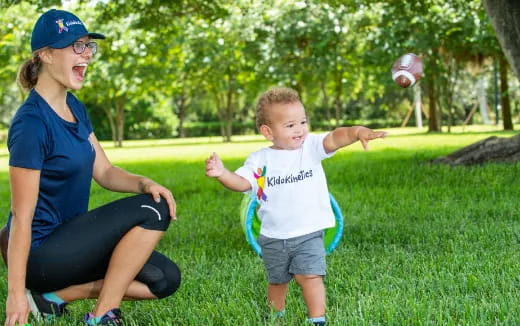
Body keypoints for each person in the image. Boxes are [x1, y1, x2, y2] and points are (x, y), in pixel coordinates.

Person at [2, 9, 181, 326]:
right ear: (44, 54)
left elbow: (105, 172)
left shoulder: (74, 106)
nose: (86, 55)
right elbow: (21, 217)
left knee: (165, 279)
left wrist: (144, 183)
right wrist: (15, 293)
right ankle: (101, 316)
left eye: (88, 46)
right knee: (154, 211)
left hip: (74, 246)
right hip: (42, 254)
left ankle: (56, 296)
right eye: (76, 46)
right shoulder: (31, 124)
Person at [205, 87, 386, 325]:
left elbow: (335, 137)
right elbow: (242, 183)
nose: (299, 129)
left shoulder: (310, 147)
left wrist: (357, 131)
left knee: (310, 276)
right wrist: (222, 173)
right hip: (273, 235)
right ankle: (275, 316)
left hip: (309, 232)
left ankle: (317, 319)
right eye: (290, 125)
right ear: (268, 131)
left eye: (302, 121)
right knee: (277, 280)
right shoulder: (260, 160)